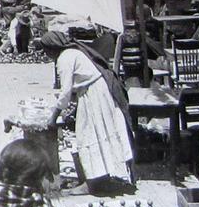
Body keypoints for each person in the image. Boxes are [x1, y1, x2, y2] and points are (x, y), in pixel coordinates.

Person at [40, 31, 134, 195]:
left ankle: (92, 183)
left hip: (95, 94)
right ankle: (99, 177)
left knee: (89, 135)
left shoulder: (64, 59)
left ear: (52, 48)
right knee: (98, 134)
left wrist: (53, 117)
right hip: (96, 91)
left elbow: (65, 93)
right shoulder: (72, 52)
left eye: (46, 50)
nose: (46, 55)